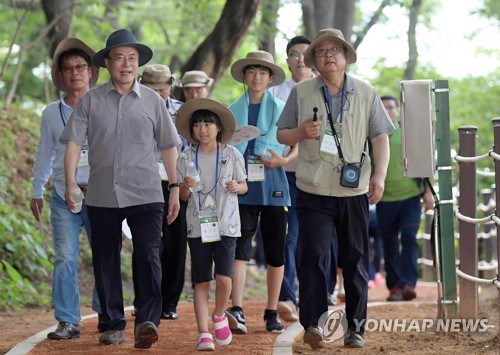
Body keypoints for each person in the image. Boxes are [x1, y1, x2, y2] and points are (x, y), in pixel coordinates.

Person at [60, 29, 181, 349]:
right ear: (108, 63)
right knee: (105, 259)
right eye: (119, 58)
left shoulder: (154, 101)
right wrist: (71, 182)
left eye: (132, 58)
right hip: (102, 193)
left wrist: (174, 187)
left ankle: (147, 321)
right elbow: (73, 142)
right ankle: (112, 323)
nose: (126, 64)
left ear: (138, 64)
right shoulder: (91, 99)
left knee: (148, 255)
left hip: (146, 192)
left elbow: (169, 146)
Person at [276, 28, 394, 349]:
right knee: (312, 255)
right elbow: (282, 135)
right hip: (312, 188)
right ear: (314, 59)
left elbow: (381, 137)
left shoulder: (367, 92)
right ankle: (313, 323)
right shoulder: (301, 93)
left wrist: (379, 176)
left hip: (353, 191)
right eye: (322, 51)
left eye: (335, 50)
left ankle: (356, 328)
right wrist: (300, 132)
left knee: (355, 258)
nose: (328, 55)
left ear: (345, 56)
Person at [30, 37, 101, 340]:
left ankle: (108, 315)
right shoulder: (50, 113)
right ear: (60, 75)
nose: (75, 73)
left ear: (90, 72)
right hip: (62, 195)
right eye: (68, 68)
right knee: (65, 258)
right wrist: (36, 189)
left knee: (105, 255)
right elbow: (45, 153)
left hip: (102, 195)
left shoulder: (104, 105)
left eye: (81, 67)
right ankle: (68, 320)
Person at [226, 50, 290, 334]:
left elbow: (296, 143)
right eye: (252, 71)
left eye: (263, 73)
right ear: (244, 76)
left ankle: (271, 311)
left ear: (271, 78)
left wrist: (284, 160)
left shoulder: (283, 108)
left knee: (276, 251)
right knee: (240, 249)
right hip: (241, 187)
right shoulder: (230, 112)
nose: (257, 77)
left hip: (274, 186)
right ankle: (236, 309)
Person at [175, 98, 247, 351]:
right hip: (197, 225)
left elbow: (244, 185)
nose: (202, 130)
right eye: (197, 125)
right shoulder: (185, 156)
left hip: (227, 224)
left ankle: (219, 315)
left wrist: (237, 187)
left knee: (224, 279)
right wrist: (184, 187)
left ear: (218, 128)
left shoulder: (232, 154)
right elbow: (183, 198)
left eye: (208, 124)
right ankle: (203, 332)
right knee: (202, 280)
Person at [270, 35, 314, 323]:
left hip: (315, 176)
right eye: (294, 54)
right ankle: (287, 296)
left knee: (311, 240)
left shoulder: (323, 90)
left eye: (304, 54)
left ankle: (312, 294)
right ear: (287, 61)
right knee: (288, 237)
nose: (299, 59)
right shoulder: (276, 94)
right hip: (283, 175)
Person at [138, 64, 187, 320]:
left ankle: (169, 302)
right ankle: (145, 299)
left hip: (175, 182)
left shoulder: (183, 111)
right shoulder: (134, 108)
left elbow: (190, 146)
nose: (159, 93)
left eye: (163, 88)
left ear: (170, 86)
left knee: (176, 243)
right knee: (147, 244)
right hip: (143, 182)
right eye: (152, 88)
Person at [377, 95, 433, 301]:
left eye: (392, 107)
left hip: (410, 197)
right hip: (384, 199)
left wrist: (428, 191)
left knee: (409, 238)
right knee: (390, 243)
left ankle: (409, 283)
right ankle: (394, 287)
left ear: (397, 111)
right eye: (384, 108)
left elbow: (425, 160)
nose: (389, 111)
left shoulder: (408, 134)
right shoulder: (372, 134)